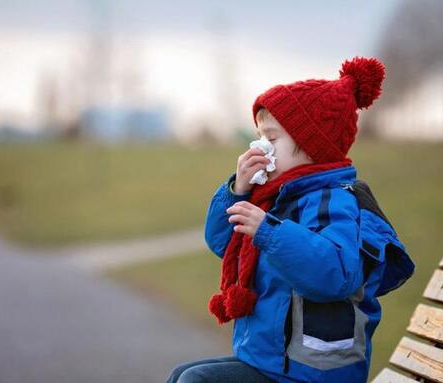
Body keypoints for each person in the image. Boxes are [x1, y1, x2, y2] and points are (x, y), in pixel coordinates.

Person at [166, 56, 415, 383]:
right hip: (271, 361)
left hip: (311, 372)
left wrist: (269, 232)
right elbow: (221, 243)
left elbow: (336, 273)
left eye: (271, 139)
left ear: (311, 146)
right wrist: (237, 191)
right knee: (182, 374)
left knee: (196, 381)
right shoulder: (276, 196)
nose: (260, 147)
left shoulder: (335, 200)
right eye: (259, 137)